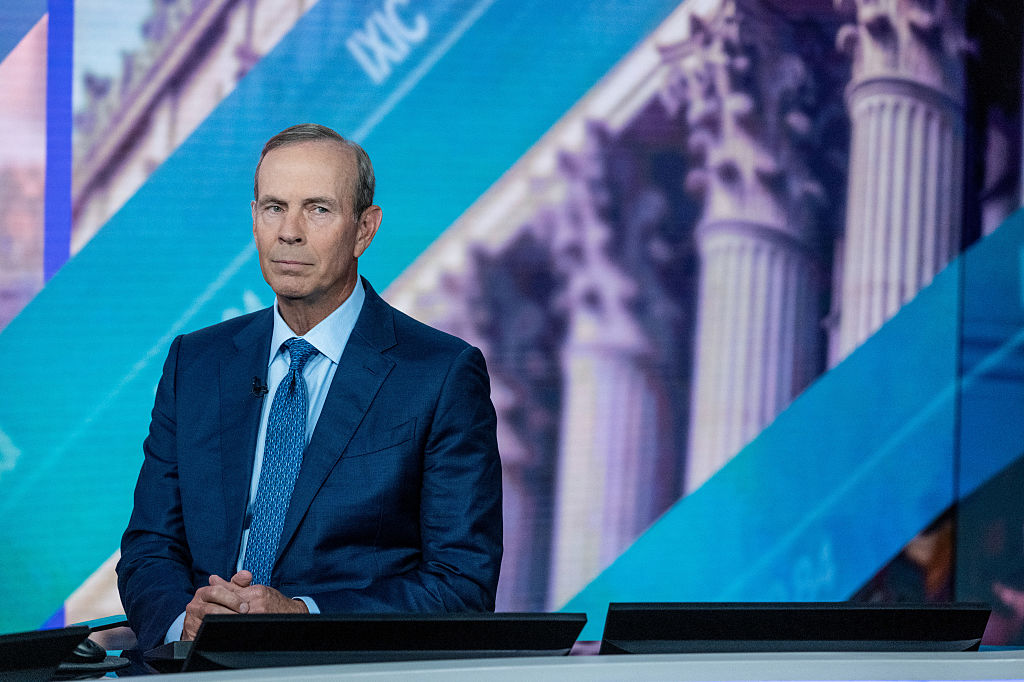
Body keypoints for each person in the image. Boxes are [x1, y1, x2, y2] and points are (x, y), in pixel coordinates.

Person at [117, 124, 503, 651]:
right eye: (274, 207)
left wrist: (302, 617)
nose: (289, 231)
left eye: (318, 209)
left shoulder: (440, 373)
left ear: (364, 229)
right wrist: (179, 625)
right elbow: (149, 547)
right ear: (254, 219)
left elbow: (462, 584)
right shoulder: (197, 362)